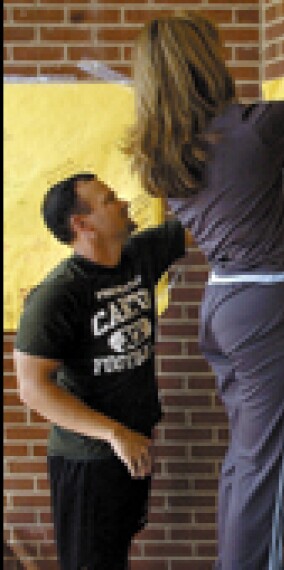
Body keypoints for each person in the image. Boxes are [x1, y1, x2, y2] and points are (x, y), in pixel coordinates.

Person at [123, 11, 284, 570]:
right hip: (272, 303)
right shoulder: (254, 128)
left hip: (226, 304)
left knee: (249, 461)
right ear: (205, 62)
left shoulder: (164, 154)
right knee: (270, 464)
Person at [14, 172, 187, 569]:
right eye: (109, 200)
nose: (123, 202)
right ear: (82, 224)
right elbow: (32, 388)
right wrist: (113, 433)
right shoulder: (58, 295)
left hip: (133, 447)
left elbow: (205, 222)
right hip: (88, 460)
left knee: (116, 555)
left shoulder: (140, 255)